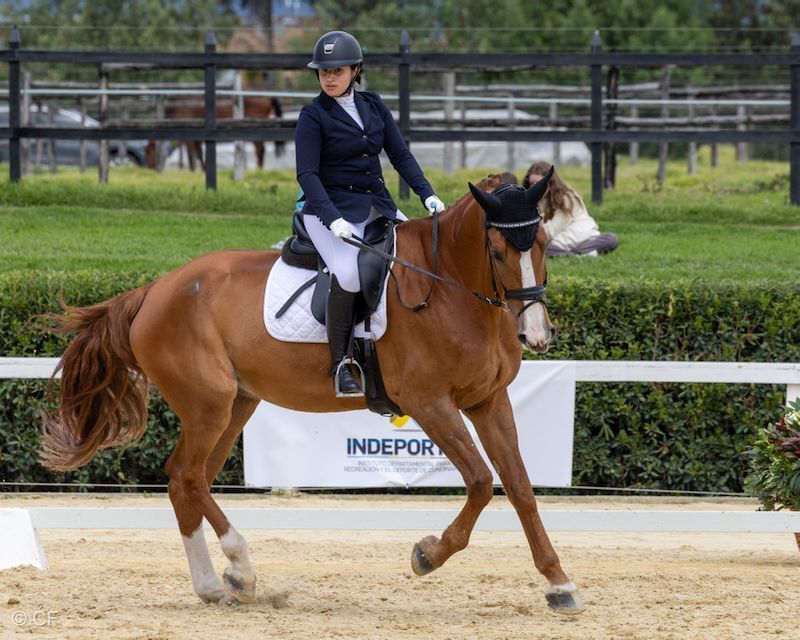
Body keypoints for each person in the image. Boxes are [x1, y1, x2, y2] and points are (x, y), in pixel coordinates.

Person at [295, 30, 446, 398]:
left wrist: (427, 195)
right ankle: (342, 363)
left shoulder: (374, 105)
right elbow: (307, 175)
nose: (329, 78)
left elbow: (400, 156)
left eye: (338, 71)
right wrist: (332, 219)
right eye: (323, 72)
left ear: (355, 70)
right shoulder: (312, 115)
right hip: (325, 213)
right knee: (347, 275)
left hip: (377, 205)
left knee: (417, 260)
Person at [523, 161, 618, 257]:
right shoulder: (535, 198)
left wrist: (538, 226)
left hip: (577, 234)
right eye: (532, 183)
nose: (535, 187)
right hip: (561, 238)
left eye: (539, 183)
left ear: (549, 181)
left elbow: (551, 231)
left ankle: (573, 254)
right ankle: (583, 253)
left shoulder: (566, 198)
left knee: (611, 239)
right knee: (535, 247)